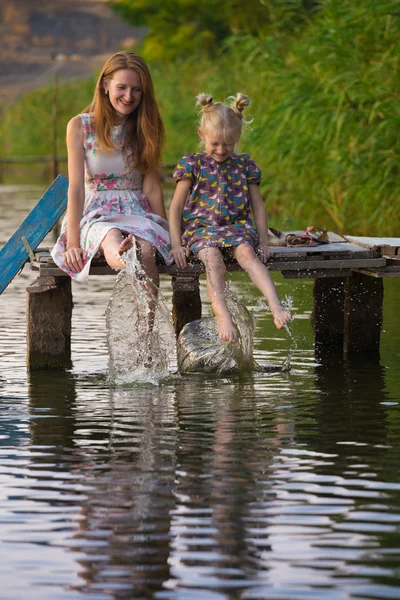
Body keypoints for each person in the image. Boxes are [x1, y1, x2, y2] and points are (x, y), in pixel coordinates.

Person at [169, 93, 292, 343]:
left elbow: (258, 207)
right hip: (201, 231)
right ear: (202, 135)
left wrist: (263, 241)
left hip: (237, 228)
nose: (221, 150)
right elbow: (176, 207)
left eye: (228, 144)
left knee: (248, 255)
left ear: (237, 139)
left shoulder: (244, 164)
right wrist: (175, 243)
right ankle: (222, 314)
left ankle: (276, 305)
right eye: (215, 144)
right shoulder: (192, 164)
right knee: (213, 260)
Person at [51, 51, 171, 300]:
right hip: (96, 213)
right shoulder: (80, 126)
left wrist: (167, 235)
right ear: (105, 85)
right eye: (122, 87)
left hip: (137, 211)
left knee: (147, 250)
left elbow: (151, 189)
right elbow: (76, 188)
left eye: (136, 89)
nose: (129, 97)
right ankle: (123, 256)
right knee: (111, 237)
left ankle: (144, 332)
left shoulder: (147, 127)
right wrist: (73, 243)